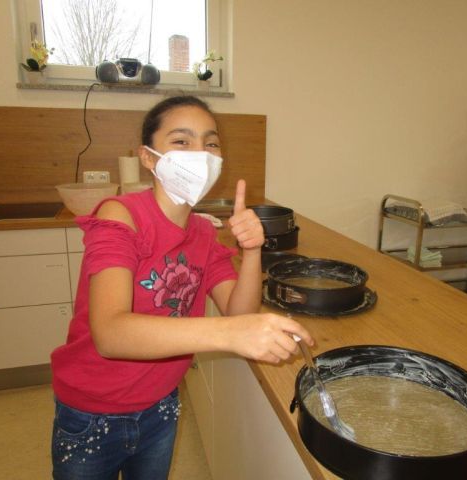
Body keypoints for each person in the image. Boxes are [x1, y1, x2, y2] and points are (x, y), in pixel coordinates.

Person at [50, 95, 313, 480]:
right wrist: (230, 333)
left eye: (211, 143)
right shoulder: (121, 215)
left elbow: (239, 312)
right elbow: (110, 333)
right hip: (93, 411)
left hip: (161, 404)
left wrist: (253, 250)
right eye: (181, 141)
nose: (200, 154)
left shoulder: (204, 232)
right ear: (148, 157)